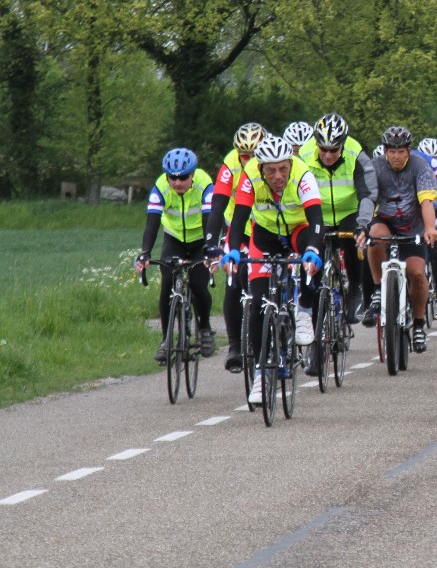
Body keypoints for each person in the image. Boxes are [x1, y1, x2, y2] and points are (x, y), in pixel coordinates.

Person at [220, 135, 325, 406]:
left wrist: (312, 249)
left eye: (282, 169)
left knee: (313, 257)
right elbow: (239, 218)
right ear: (260, 168)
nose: (278, 176)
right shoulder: (250, 176)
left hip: (299, 230)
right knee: (257, 303)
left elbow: (317, 220)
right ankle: (260, 373)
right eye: (271, 170)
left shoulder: (303, 175)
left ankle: (304, 310)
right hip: (265, 235)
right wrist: (233, 250)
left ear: (290, 164)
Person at [297, 113, 377, 371]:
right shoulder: (304, 156)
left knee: (353, 243)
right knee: (313, 272)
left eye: (334, 150)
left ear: (343, 144)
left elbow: (368, 193)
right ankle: (315, 346)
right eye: (323, 149)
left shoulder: (356, 153)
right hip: (317, 215)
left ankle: (354, 289)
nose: (328, 155)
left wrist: (363, 224)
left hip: (348, 213)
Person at [361, 126, 437, 356]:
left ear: (408, 151)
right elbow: (368, 199)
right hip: (385, 221)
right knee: (375, 236)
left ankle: (418, 325)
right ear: (385, 151)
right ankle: (378, 289)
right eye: (392, 151)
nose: (396, 156)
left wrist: (430, 228)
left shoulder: (420, 166)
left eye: (401, 152)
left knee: (417, 274)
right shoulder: (375, 166)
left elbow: (426, 201)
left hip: (413, 226)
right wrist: (362, 225)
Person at [136, 148, 217, 363]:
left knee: (198, 285)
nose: (177, 182)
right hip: (174, 239)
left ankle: (205, 328)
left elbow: (210, 219)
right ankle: (165, 340)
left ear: (193, 174)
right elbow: (152, 223)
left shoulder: (205, 185)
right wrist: (145, 252)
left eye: (183, 178)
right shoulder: (160, 187)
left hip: (200, 239)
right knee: (167, 285)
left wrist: (210, 249)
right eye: (172, 178)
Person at [204, 122, 265, 372]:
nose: (248, 160)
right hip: (238, 229)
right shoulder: (230, 163)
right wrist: (210, 243)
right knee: (233, 278)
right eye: (244, 155)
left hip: (264, 228)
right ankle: (235, 347)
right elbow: (217, 205)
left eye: (253, 155)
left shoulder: (274, 164)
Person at [415, 137, 437, 320]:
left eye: (436, 157)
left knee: (436, 254)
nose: (432, 160)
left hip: (435, 212)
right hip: (416, 213)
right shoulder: (415, 164)